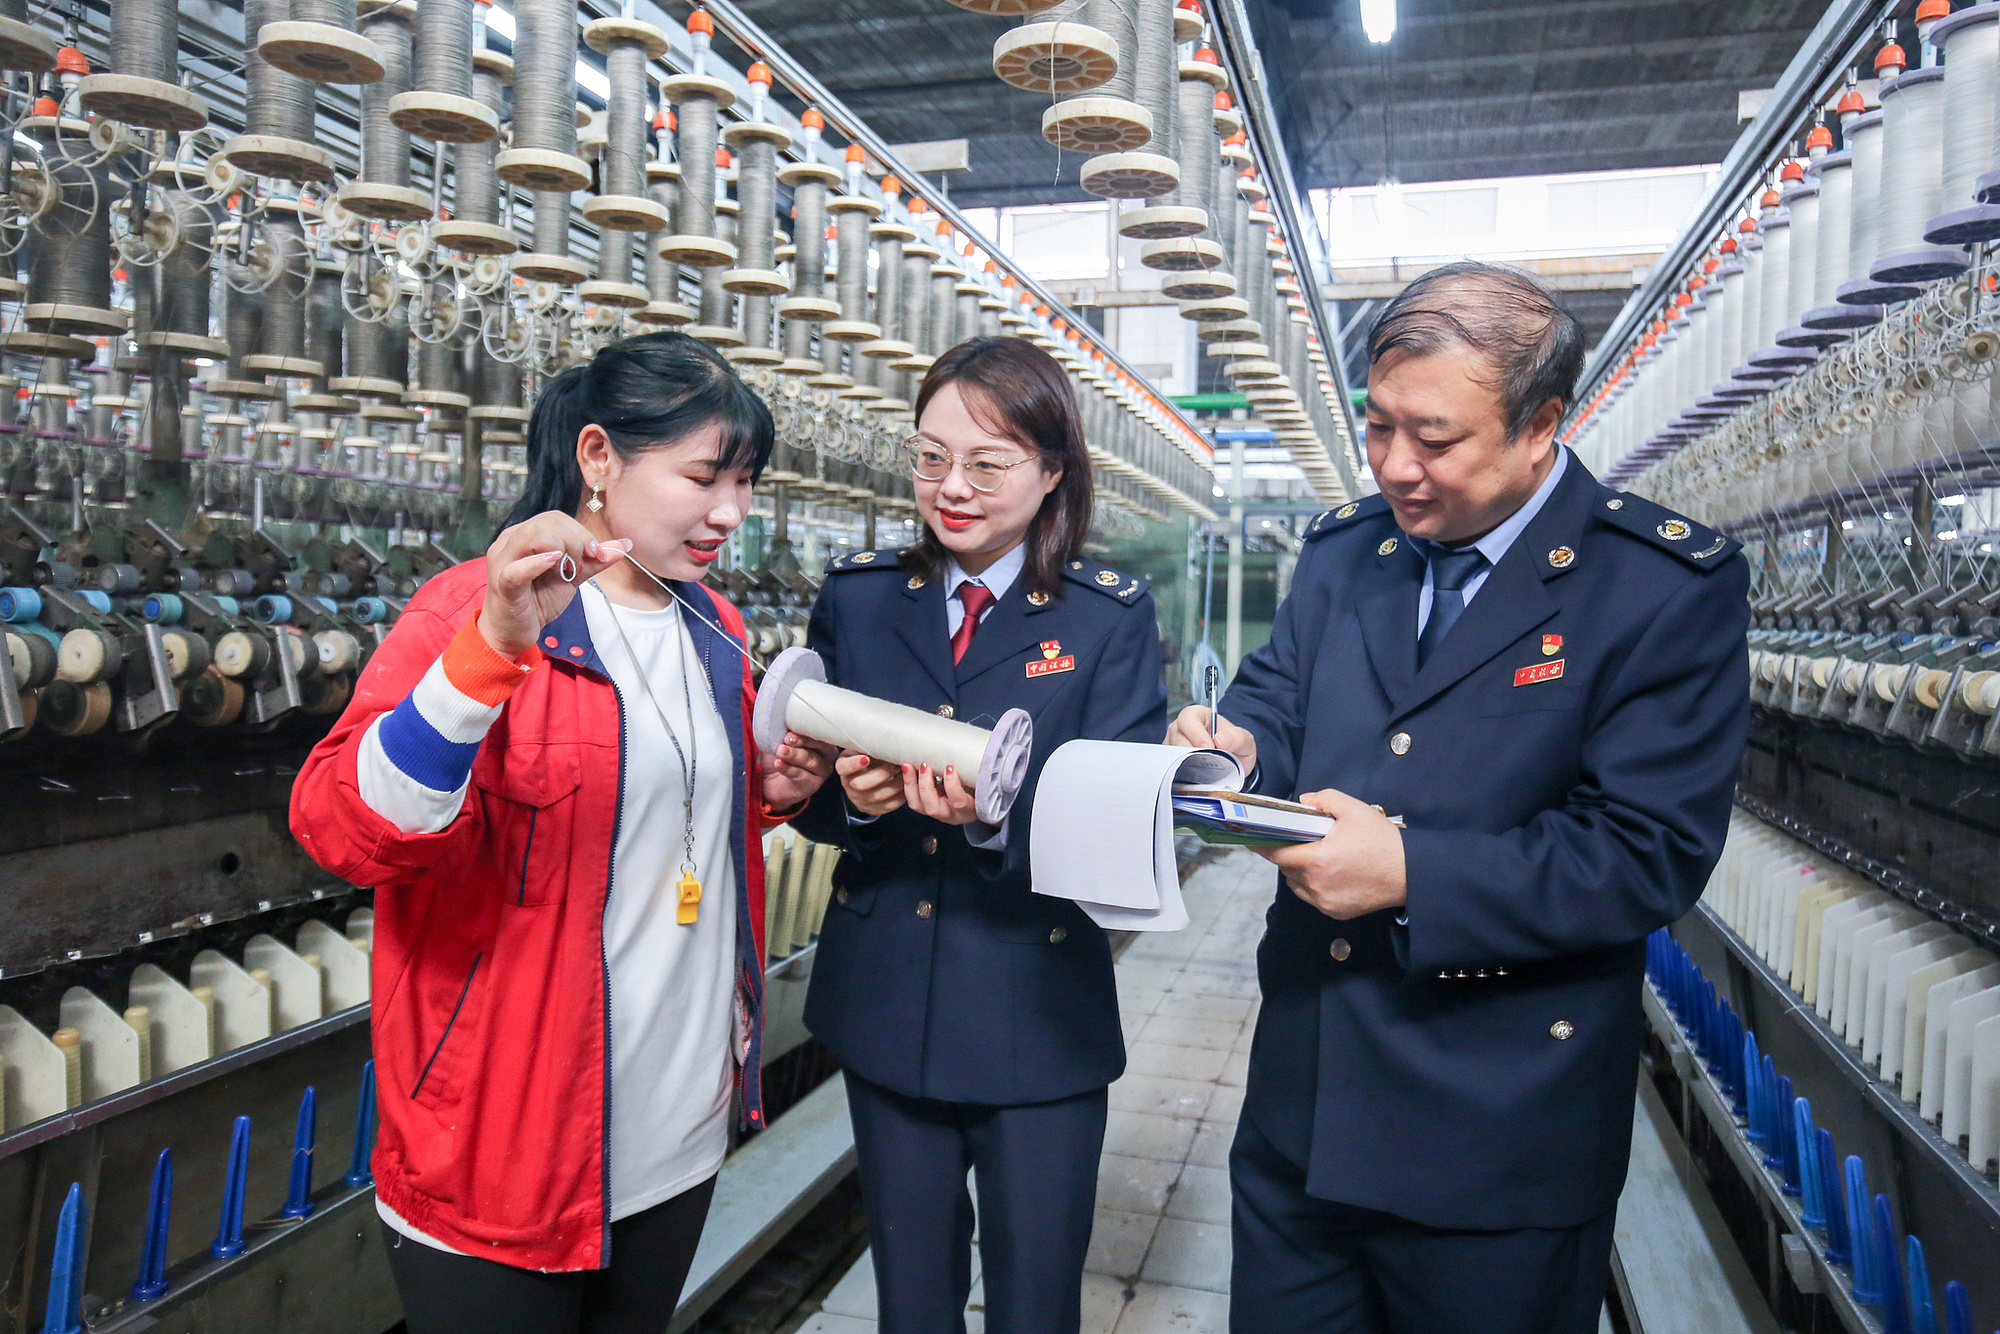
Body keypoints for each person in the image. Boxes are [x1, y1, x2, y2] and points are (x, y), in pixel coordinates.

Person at [1166, 262, 1750, 1334]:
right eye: (1378, 426)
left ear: (1541, 427)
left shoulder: (1655, 587)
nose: (1396, 465)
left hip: (1495, 1141)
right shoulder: (1348, 553)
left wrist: (1410, 871)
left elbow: (1644, 851)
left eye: (1433, 439)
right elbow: (1276, 698)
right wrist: (1234, 746)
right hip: (1304, 1109)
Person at [290, 332, 834, 1334]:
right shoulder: (473, 611)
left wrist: (768, 789)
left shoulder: (714, 627)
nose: (731, 512)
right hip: (507, 1141)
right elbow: (344, 830)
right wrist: (488, 653)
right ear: (597, 457)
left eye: (746, 482)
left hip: (677, 1124)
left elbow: (657, 804)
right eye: (703, 477)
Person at [786, 336, 1167, 1334]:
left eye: (987, 463)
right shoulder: (861, 600)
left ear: (1051, 471)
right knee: (911, 1303)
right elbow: (812, 792)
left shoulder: (1105, 620)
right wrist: (857, 803)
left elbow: (1121, 819)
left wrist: (997, 818)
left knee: (1034, 1302)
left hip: (1034, 1013)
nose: (950, 487)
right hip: (886, 1004)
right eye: (930, 457)